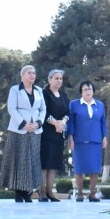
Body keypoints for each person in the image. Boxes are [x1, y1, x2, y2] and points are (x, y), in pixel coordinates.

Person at [2, 64, 45, 203]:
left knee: (32, 160)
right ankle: (18, 192)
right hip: (18, 129)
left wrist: (38, 123)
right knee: (18, 160)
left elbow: (43, 109)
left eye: (34, 73)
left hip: (35, 130)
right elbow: (12, 108)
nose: (32, 75)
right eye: (29, 73)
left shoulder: (39, 90)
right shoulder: (15, 89)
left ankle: (28, 191)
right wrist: (23, 124)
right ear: (23, 76)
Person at [67, 80, 107, 202]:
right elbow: (71, 122)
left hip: (95, 140)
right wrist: (70, 138)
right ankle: (79, 193)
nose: (88, 92)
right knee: (79, 168)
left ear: (93, 91)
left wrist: (104, 137)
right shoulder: (74, 104)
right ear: (81, 92)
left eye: (90, 89)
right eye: (85, 89)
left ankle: (92, 194)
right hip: (79, 141)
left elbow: (103, 122)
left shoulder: (100, 105)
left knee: (94, 168)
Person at [38, 69, 69, 202]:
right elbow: (42, 111)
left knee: (53, 164)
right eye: (56, 78)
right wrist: (55, 123)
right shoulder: (44, 93)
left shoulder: (64, 95)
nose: (59, 81)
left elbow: (68, 112)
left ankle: (50, 191)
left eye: (60, 78)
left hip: (59, 134)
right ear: (49, 79)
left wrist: (62, 122)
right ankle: (41, 192)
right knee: (45, 164)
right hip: (46, 133)